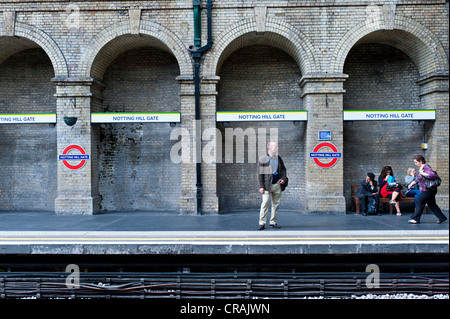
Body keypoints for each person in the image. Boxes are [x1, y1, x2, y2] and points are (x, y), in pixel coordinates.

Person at [407, 155, 447, 224]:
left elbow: (432, 175)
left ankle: (416, 219)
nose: (415, 164)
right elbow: (417, 179)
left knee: (419, 201)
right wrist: (411, 184)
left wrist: (423, 173)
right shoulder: (421, 168)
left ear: (421, 161)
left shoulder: (426, 167)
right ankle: (442, 217)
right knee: (432, 205)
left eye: (416, 162)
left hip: (428, 190)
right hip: (429, 190)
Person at [257, 142, 288, 230]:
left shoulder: (278, 158)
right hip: (266, 186)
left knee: (275, 204)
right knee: (265, 203)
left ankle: (273, 222)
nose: (277, 148)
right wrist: (261, 186)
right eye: (276, 147)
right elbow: (259, 174)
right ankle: (262, 223)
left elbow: (283, 170)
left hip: (277, 185)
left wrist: (283, 179)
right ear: (270, 148)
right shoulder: (263, 159)